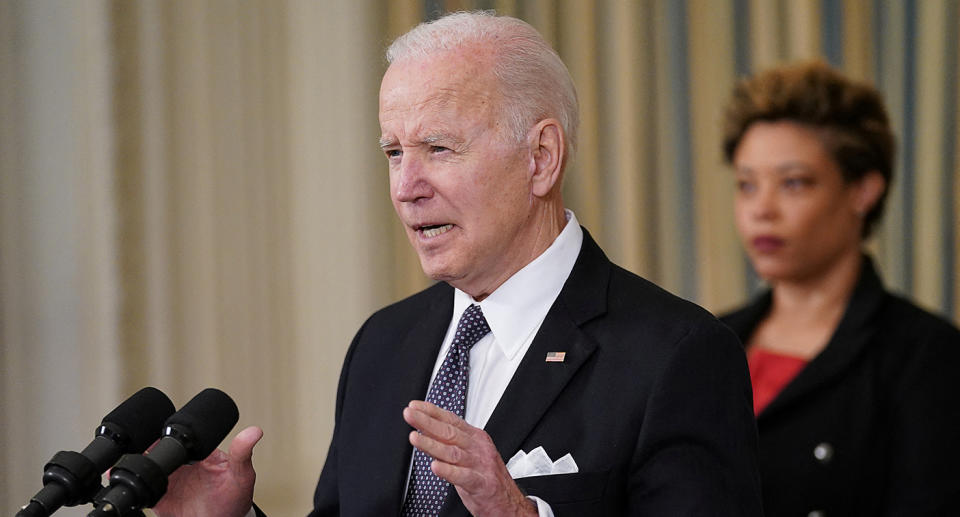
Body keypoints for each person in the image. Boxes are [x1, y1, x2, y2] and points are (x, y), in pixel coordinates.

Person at [154, 11, 762, 516]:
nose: (405, 187)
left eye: (439, 148)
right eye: (394, 152)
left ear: (541, 158)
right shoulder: (383, 343)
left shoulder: (676, 354)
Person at [719, 59, 960, 516]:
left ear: (863, 191)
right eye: (747, 185)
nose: (762, 210)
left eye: (793, 183)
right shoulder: (711, 339)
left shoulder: (925, 357)